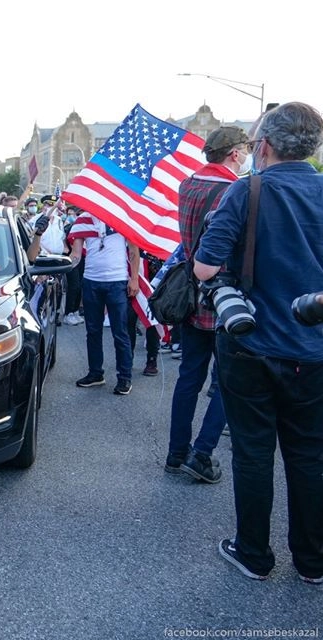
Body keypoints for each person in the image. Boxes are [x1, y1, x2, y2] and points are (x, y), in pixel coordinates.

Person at [194, 102, 323, 584]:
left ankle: (254, 554)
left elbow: (205, 268)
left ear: (263, 146)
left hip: (251, 343)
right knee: (310, 455)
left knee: (252, 453)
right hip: (313, 349)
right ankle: (312, 562)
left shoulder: (246, 190)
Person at [165, 125, 249, 483]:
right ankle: (202, 453)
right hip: (223, 297)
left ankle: (176, 452)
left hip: (190, 294)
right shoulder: (233, 190)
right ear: (234, 153)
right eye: (244, 150)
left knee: (189, 377)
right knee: (230, 383)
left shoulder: (188, 184)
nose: (246, 157)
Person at [67, 210, 140, 395]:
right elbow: (76, 254)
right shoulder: (83, 219)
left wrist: (134, 279)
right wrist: (62, 267)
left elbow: (133, 249)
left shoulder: (122, 216)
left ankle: (124, 377)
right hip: (91, 281)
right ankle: (95, 373)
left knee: (120, 331)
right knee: (93, 331)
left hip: (117, 281)